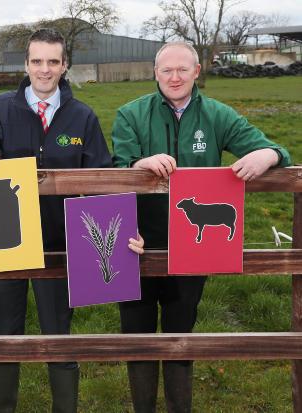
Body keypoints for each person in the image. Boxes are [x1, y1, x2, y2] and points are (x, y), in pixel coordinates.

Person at [0, 28, 144, 413]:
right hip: (4, 238)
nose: (43, 70)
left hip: (62, 244)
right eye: (36, 61)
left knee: (57, 331)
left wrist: (124, 232)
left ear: (64, 66)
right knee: (4, 332)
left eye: (52, 62)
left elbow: (102, 177)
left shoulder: (82, 116)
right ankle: (2, 406)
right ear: (26, 64)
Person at [112, 41, 291, 413]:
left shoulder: (218, 116)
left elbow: (270, 148)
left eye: (182, 69)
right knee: (137, 332)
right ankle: (142, 406)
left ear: (196, 71)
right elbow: (116, 166)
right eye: (166, 70)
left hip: (192, 251)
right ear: (155, 73)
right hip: (136, 244)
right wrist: (139, 164)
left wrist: (268, 154)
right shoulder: (130, 114)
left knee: (181, 330)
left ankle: (180, 406)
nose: (174, 77)